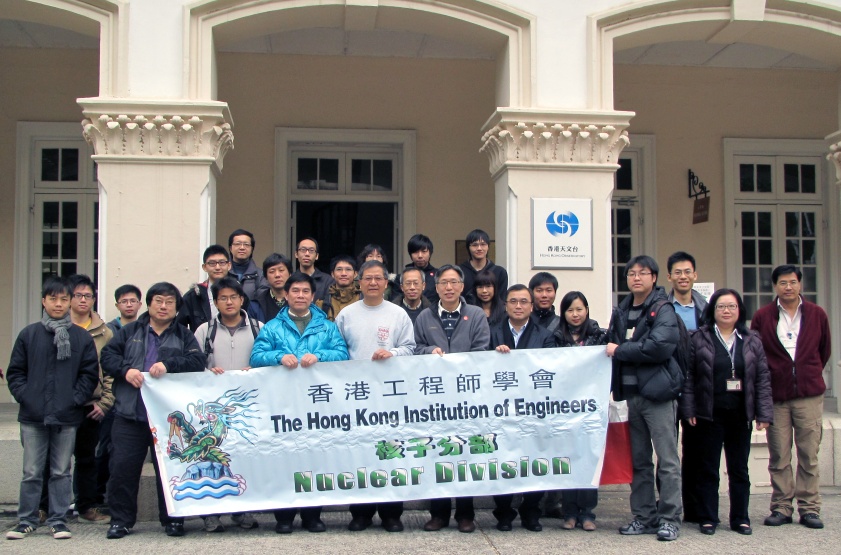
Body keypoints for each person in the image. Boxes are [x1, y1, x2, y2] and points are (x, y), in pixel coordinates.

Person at [100, 282, 206, 539]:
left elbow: (197, 360)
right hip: (130, 414)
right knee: (123, 469)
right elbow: (108, 356)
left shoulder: (184, 335)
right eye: (158, 300)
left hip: (167, 419)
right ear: (148, 304)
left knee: (170, 470)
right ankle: (121, 521)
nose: (163, 306)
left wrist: (169, 364)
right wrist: (126, 370)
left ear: (177, 308)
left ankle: (173, 519)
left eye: (170, 302)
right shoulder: (129, 332)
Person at [250, 272, 349, 534]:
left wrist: (319, 355)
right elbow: (256, 356)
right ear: (286, 295)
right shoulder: (272, 327)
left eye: (306, 291)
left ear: (313, 296)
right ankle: (284, 517)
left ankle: (312, 516)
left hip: (317, 406)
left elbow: (342, 354)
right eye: (295, 291)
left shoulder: (327, 326)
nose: (300, 296)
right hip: (283, 406)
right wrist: (279, 356)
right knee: (283, 458)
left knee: (315, 458)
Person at [6, 276, 99, 541]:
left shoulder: (81, 337)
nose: (58, 304)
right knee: (31, 472)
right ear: (43, 301)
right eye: (53, 299)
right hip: (33, 415)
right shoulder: (29, 334)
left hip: (67, 416)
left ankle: (58, 520)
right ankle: (27, 520)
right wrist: (27, 397)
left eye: (63, 299)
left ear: (70, 302)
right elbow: (15, 373)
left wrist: (73, 399)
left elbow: (89, 374)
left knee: (61, 471)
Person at [682, 288, 773, 536]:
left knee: (739, 470)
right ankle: (708, 517)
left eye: (731, 306)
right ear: (712, 310)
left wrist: (764, 413)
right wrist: (688, 408)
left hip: (740, 415)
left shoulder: (751, 340)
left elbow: (762, 378)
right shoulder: (699, 338)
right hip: (709, 414)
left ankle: (740, 518)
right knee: (708, 469)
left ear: (739, 310)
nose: (726, 311)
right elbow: (689, 376)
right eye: (721, 306)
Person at [335, 260, 416, 533]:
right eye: (367, 278)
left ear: (386, 283)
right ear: (359, 282)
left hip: (390, 396)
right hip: (356, 396)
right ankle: (361, 513)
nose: (372, 283)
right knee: (360, 454)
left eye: (378, 278)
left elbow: (410, 348)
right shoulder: (346, 314)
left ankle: (392, 514)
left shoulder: (398, 314)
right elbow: (337, 351)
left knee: (390, 452)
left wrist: (392, 353)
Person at [606, 255, 682, 542]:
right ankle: (644, 516)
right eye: (631, 274)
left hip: (658, 396)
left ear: (654, 277)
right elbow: (610, 343)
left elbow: (659, 346)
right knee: (639, 461)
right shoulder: (622, 310)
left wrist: (621, 350)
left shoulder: (663, 308)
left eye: (642, 273)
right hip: (631, 397)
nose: (636, 278)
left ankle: (670, 519)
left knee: (668, 461)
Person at [751, 265, 831, 529]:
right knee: (779, 455)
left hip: (809, 394)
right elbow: (757, 354)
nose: (788, 287)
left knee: (809, 453)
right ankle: (781, 506)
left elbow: (824, 350)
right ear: (775, 286)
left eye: (793, 282)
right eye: (783, 283)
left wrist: (807, 372)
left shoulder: (817, 314)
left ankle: (809, 508)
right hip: (777, 395)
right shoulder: (763, 316)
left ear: (800, 284)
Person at [414, 264, 490, 533]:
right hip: (434, 399)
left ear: (462, 286)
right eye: (443, 283)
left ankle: (465, 514)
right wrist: (429, 351)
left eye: (453, 282)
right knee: (438, 452)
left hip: (466, 396)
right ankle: (439, 514)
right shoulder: (424, 316)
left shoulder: (476, 314)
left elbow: (482, 349)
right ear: (436, 288)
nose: (448, 287)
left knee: (464, 452)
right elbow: (416, 348)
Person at [38, 275, 114, 524]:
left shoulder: (104, 332)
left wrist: (104, 402)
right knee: (50, 460)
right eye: (78, 295)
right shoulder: (51, 328)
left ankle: (86, 506)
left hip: (89, 405)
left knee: (86, 458)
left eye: (88, 296)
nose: (83, 300)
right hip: (55, 405)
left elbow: (109, 371)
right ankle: (44, 507)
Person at [193, 276, 262, 533]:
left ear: (242, 299)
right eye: (223, 298)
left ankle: (242, 510)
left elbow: (267, 361)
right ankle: (211, 514)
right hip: (213, 410)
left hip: (246, 407)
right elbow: (193, 364)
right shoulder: (204, 330)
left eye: (234, 297)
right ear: (216, 302)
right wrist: (207, 372)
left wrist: (255, 370)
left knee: (244, 459)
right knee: (213, 460)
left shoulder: (258, 328)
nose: (229, 302)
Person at [490, 284, 554, 533]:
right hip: (500, 408)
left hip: (533, 408)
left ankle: (531, 511)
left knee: (533, 459)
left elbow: (550, 370)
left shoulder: (545, 336)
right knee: (502, 460)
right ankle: (503, 512)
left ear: (532, 306)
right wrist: (494, 355)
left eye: (523, 301)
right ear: (505, 305)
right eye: (513, 301)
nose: (518, 306)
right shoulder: (493, 333)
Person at [554, 291, 608, 531]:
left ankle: (587, 513)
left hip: (590, 408)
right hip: (564, 408)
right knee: (568, 459)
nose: (575, 314)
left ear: (587, 310)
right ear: (563, 313)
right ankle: (569, 513)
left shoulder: (600, 336)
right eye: (570, 310)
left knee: (588, 459)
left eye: (579, 309)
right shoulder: (556, 338)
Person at [665, 250, 708, 523]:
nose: (683, 276)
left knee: (696, 451)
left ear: (695, 275)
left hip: (699, 389)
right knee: (667, 452)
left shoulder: (706, 308)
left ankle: (694, 507)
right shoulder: (662, 307)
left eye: (687, 272)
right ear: (669, 277)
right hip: (669, 387)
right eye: (677, 272)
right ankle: (668, 505)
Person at [177, 245, 233, 332]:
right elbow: (178, 328)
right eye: (212, 263)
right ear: (204, 267)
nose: (217, 267)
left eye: (222, 262)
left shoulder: (238, 294)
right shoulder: (193, 296)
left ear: (229, 265)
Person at [459, 229, 508, 302]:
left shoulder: (500, 272)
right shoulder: (459, 272)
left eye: (483, 244)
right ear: (468, 248)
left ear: (488, 247)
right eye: (475, 245)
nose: (479, 248)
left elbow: (502, 300)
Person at [228, 229, 269, 301]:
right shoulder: (223, 272)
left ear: (252, 249)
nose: (242, 248)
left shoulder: (261, 275)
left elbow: (261, 301)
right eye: (237, 244)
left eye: (246, 244)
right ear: (230, 248)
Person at [318, 255, 361, 321]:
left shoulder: (363, 299)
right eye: (339, 269)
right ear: (332, 274)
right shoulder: (323, 303)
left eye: (348, 269)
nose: (343, 273)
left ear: (355, 274)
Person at [252, 253, 293, 322]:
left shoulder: (299, 300)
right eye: (272, 271)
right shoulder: (257, 304)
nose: (277, 275)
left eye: (281, 270)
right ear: (266, 277)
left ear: (290, 274)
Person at [405, 233, 438, 303]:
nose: (420, 256)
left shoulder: (438, 275)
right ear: (410, 254)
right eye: (416, 252)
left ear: (430, 253)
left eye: (424, 251)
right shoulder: (402, 276)